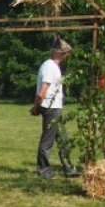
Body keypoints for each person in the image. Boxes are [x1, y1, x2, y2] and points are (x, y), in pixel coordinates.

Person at [29, 36, 81, 179]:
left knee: (63, 140)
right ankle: (44, 171)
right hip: (51, 108)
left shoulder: (53, 66)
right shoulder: (49, 66)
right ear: (58, 52)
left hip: (55, 108)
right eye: (64, 53)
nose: (66, 55)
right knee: (47, 141)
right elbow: (42, 91)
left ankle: (69, 169)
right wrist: (36, 107)